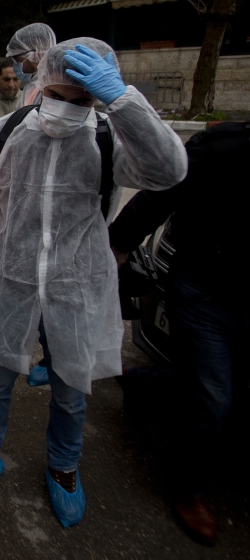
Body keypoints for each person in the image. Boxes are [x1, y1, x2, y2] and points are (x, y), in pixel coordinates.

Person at [0, 38, 186, 527]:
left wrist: (122, 102)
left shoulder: (107, 137)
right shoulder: (5, 131)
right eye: (57, 95)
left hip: (76, 285)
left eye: (83, 101)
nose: (66, 108)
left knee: (71, 390)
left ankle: (64, 466)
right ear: (41, 84)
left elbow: (169, 170)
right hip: (11, 281)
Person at [108, 122, 247, 546]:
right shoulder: (225, 148)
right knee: (214, 395)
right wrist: (118, 246)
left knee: (216, 382)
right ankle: (191, 490)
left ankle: (141, 382)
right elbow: (163, 191)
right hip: (208, 290)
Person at [7, 23, 57, 108]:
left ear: (35, 55)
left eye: (17, 59)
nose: (15, 64)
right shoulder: (33, 84)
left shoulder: (49, 87)